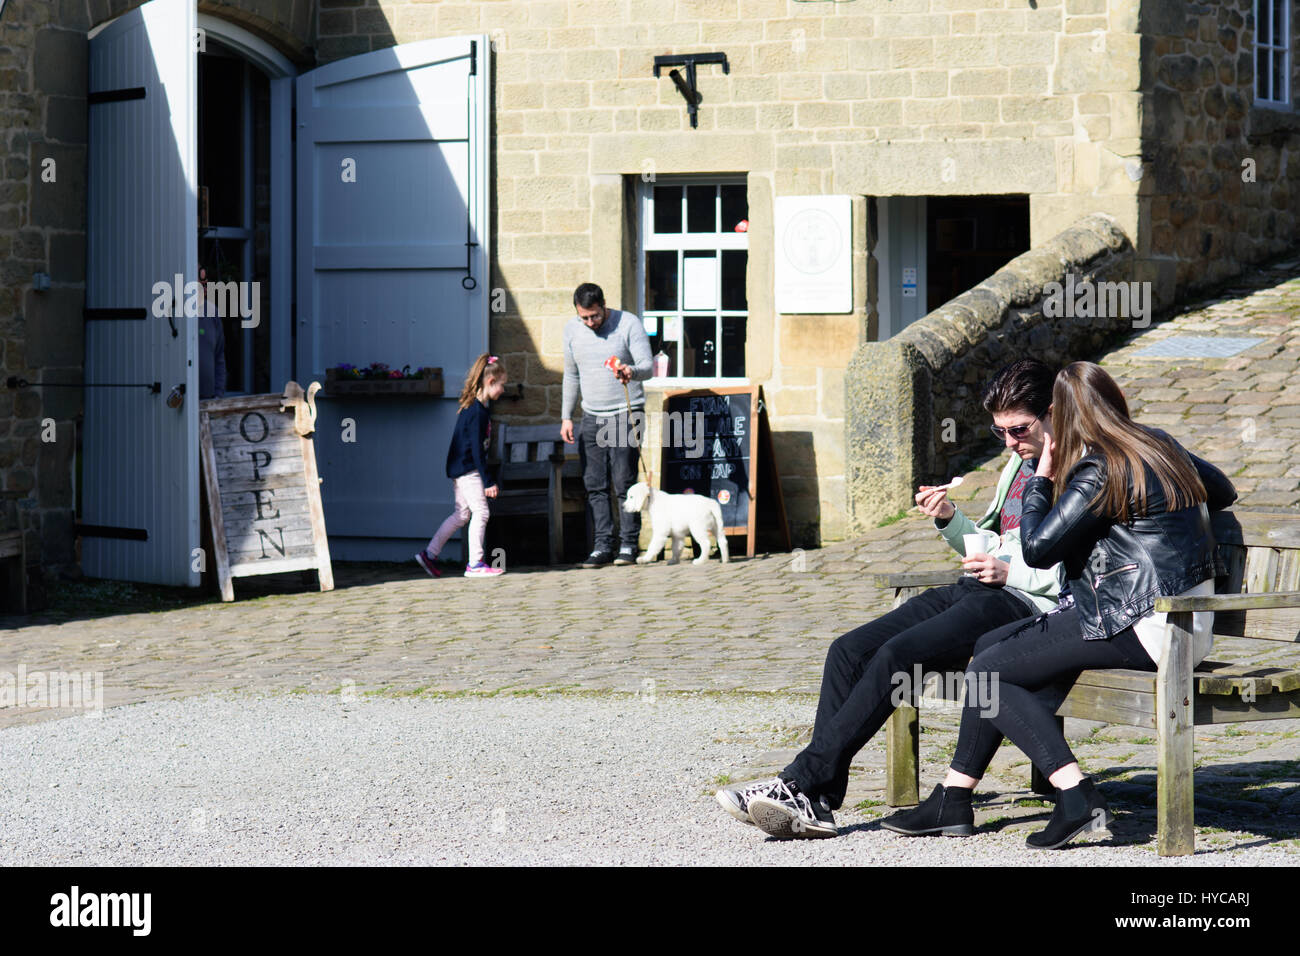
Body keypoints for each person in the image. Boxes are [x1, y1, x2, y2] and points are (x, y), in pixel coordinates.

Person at [880, 361, 1237, 849]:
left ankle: (1076, 796)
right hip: (1173, 620)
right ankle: (954, 796)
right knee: (991, 646)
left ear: (1063, 414)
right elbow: (1224, 490)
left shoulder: (1100, 467)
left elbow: (1037, 549)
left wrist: (1042, 479)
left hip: (1147, 624)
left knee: (987, 671)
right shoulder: (1155, 443)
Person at [721, 359, 1064, 839]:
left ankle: (799, 782)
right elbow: (995, 541)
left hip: (1024, 604)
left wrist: (1011, 572)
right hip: (980, 587)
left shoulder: (1077, 469)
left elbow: (1078, 569)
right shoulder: (1020, 464)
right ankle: (818, 800)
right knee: (847, 650)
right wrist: (949, 517)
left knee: (898, 656)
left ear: (1053, 413)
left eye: (1019, 429)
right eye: (999, 431)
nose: (1008, 442)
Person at [561, 282, 653, 568]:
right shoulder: (572, 330)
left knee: (624, 481)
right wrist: (566, 416)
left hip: (625, 413)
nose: (590, 322)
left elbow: (648, 366)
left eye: (595, 316)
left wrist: (631, 370)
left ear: (604, 305)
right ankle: (602, 546)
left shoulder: (628, 324)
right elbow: (571, 375)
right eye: (584, 317)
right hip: (591, 416)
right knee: (595, 484)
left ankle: (628, 545)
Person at [415, 354, 508, 579]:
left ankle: (429, 554)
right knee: (481, 512)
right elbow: (476, 449)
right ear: (490, 381)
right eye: (502, 385)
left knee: (462, 514)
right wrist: (488, 481)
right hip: (468, 469)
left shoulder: (474, 408)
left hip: (461, 468)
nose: (503, 390)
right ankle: (475, 564)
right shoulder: (476, 412)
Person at [197, 265, 227, 400]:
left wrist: (218, 393)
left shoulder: (212, 312)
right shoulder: (175, 313)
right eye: (200, 281)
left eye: (205, 281)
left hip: (209, 399)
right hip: (181, 401)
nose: (204, 285)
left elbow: (219, 355)